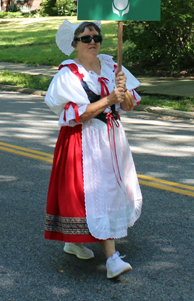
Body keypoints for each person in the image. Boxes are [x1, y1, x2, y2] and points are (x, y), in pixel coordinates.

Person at [44, 20, 142, 279]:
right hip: (83, 139)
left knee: (110, 189)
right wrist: (109, 99)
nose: (92, 42)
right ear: (74, 43)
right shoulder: (68, 74)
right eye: (86, 38)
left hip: (112, 138)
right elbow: (75, 114)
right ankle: (112, 259)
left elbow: (129, 106)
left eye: (96, 37)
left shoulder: (112, 67)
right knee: (96, 192)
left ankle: (73, 241)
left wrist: (123, 91)